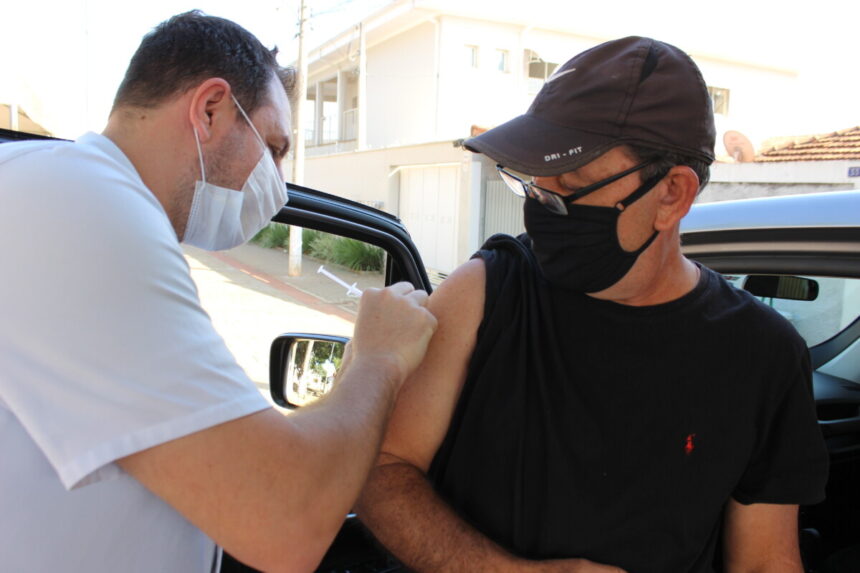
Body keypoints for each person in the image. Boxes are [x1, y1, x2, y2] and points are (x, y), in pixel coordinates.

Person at [356, 36, 828, 572]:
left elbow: (766, 562)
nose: (542, 210)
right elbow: (380, 469)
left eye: (568, 190)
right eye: (534, 189)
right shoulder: (486, 293)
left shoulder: (761, 355)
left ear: (672, 193)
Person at [0, 11, 436, 573]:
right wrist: (379, 358)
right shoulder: (87, 210)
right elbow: (285, 521)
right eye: (275, 148)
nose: (277, 186)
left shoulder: (53, 186)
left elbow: (234, 452)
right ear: (210, 109)